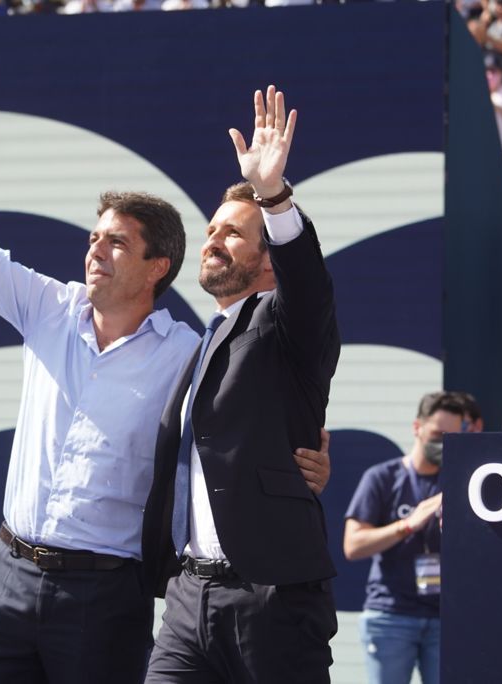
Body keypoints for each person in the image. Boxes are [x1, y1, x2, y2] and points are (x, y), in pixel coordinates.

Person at [0, 74, 331, 684]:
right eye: (94, 238)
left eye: (116, 242)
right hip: (11, 573)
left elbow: (255, 413)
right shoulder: (47, 308)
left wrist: (306, 461)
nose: (95, 250)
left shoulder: (187, 353)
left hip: (106, 594)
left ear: (155, 267)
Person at [143, 85, 341, 683]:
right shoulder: (198, 342)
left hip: (271, 597)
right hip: (187, 597)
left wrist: (272, 194)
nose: (212, 240)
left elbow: (307, 280)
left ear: (267, 258)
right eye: (211, 229)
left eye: (232, 232)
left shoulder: (287, 322)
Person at [343, 391, 469, 684]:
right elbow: (353, 545)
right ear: (417, 428)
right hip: (391, 614)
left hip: (445, 617)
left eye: (452, 437)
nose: (443, 444)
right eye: (438, 434)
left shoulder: (461, 481)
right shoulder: (382, 477)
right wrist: (407, 525)